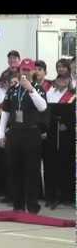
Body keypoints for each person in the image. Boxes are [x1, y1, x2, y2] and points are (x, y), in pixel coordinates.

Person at [0, 59, 47, 213]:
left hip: (31, 133)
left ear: (33, 72)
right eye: (23, 69)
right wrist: (1, 133)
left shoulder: (38, 88)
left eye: (28, 69)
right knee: (15, 169)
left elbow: (43, 107)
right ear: (19, 71)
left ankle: (32, 205)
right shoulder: (13, 89)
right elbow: (6, 111)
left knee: (31, 171)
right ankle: (18, 205)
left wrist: (31, 89)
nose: (25, 72)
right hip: (15, 133)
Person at [42, 75, 75, 209]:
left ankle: (65, 195)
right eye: (60, 80)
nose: (62, 82)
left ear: (68, 81)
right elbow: (45, 111)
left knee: (65, 164)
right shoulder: (50, 93)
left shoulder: (72, 94)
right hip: (51, 132)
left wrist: (67, 123)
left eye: (65, 80)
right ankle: (51, 195)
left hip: (66, 134)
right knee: (50, 165)